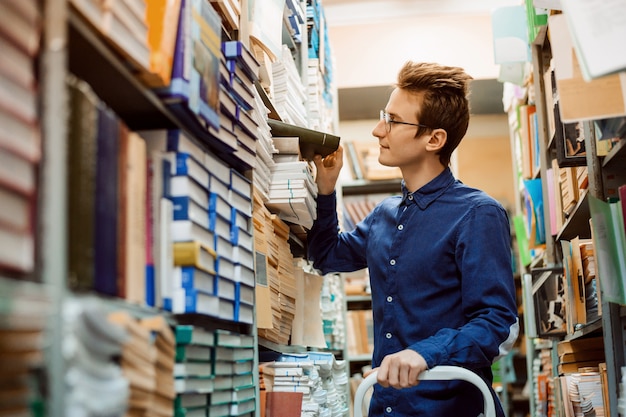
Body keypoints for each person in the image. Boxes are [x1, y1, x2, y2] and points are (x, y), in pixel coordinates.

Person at [307, 61, 519, 417]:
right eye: (382, 116)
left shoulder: (478, 213)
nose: (377, 130)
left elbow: (495, 320)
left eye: (392, 121)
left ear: (434, 139)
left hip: (450, 409)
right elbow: (326, 256)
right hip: (386, 407)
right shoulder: (383, 214)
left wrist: (425, 352)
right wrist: (325, 190)